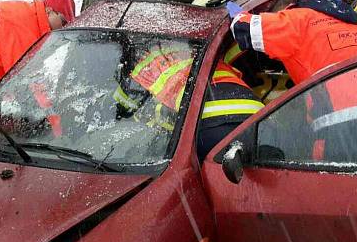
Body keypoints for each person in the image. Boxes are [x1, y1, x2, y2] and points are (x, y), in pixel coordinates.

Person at [229, 0, 357, 162]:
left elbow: (243, 28)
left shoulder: (294, 20)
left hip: (338, 124)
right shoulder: (354, 24)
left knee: (334, 181)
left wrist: (235, 12)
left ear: (283, 11)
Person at [113, 44, 264, 161]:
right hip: (255, 114)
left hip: (205, 124)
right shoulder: (191, 50)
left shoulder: (139, 72)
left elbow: (117, 112)